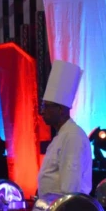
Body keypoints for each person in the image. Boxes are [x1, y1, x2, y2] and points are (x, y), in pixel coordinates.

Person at [37, 60, 92, 197]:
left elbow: (70, 187)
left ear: (60, 110)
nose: (42, 112)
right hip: (53, 208)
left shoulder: (72, 136)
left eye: (46, 107)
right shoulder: (62, 135)